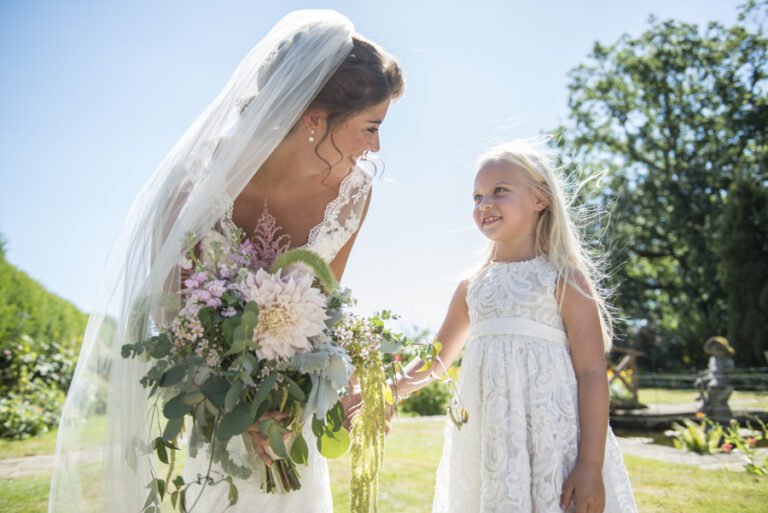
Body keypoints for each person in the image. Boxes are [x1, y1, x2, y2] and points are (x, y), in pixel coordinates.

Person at [48, 10, 403, 513]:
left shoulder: (354, 193)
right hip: (216, 413)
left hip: (289, 424)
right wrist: (240, 407)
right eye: (370, 126)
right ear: (315, 118)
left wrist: (313, 393)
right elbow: (171, 314)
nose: (377, 145)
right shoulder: (195, 179)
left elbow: (322, 311)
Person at [393, 140, 637, 513]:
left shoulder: (563, 279)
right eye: (477, 196)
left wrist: (590, 465)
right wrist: (386, 390)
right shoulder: (472, 287)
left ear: (541, 198)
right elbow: (435, 360)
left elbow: (591, 373)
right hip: (489, 442)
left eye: (499, 191)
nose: (484, 204)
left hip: (552, 443)